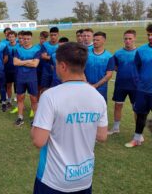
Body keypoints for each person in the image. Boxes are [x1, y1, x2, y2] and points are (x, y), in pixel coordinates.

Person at [32, 42, 108, 194]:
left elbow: (39, 140)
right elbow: (102, 136)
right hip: (84, 178)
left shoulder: (50, 96)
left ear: (63, 66)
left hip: (53, 179)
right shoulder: (97, 97)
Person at [125, 24, 152, 147]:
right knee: (141, 115)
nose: (150, 37)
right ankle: (137, 139)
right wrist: (138, 82)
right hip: (143, 91)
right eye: (148, 34)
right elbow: (135, 67)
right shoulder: (141, 50)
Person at [109, 30, 138, 135]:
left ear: (134, 38)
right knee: (118, 105)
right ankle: (116, 128)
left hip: (135, 86)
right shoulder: (118, 53)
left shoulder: (139, 53)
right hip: (120, 85)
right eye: (126, 38)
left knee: (136, 108)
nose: (128, 41)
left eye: (130, 38)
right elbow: (115, 67)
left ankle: (138, 132)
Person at [13, 31, 41, 126]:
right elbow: (15, 63)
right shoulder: (18, 50)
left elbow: (35, 64)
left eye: (28, 39)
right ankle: (20, 118)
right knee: (20, 98)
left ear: (31, 39)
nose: (26, 41)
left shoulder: (36, 50)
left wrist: (22, 61)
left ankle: (36, 119)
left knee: (33, 99)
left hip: (31, 78)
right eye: (24, 39)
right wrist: (29, 60)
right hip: (20, 78)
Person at [84, 32, 114, 102]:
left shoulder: (109, 56)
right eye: (94, 40)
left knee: (101, 109)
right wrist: (86, 83)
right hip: (86, 86)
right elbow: (81, 70)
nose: (95, 42)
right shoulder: (86, 54)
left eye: (97, 40)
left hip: (101, 88)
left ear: (104, 41)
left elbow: (109, 75)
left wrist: (95, 85)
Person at [40, 27, 59, 92]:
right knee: (44, 89)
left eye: (55, 35)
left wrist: (49, 56)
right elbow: (43, 56)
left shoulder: (60, 45)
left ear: (58, 34)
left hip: (57, 71)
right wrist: (54, 57)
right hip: (47, 70)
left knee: (56, 89)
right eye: (51, 35)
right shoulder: (45, 45)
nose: (53, 37)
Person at [5, 31, 19, 109]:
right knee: (8, 86)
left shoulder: (19, 46)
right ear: (7, 38)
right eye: (9, 37)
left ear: (15, 37)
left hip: (17, 70)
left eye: (12, 37)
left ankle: (18, 103)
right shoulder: (6, 46)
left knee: (17, 87)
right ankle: (9, 102)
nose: (11, 38)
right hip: (8, 69)